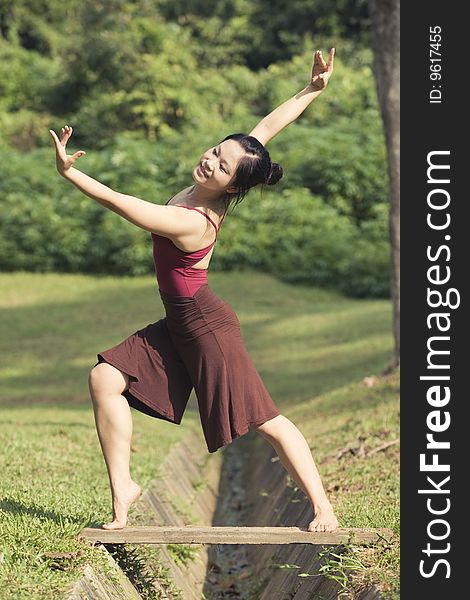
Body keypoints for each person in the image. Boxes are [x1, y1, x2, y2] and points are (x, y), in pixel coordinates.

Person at [49, 48, 339, 533]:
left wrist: (70, 173)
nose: (210, 163)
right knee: (105, 379)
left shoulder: (190, 220)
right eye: (214, 152)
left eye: (222, 167)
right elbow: (265, 129)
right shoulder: (215, 179)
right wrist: (311, 90)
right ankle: (124, 493)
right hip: (180, 321)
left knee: (263, 420)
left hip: (205, 326)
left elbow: (122, 203)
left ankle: (323, 505)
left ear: (231, 187)